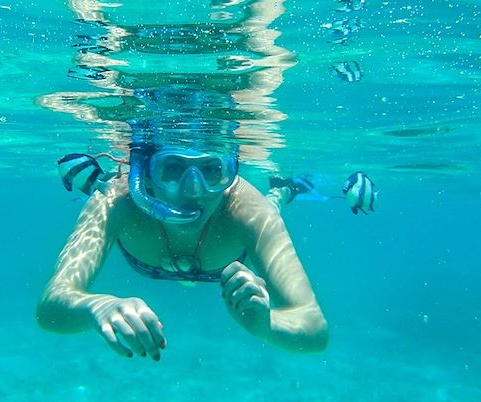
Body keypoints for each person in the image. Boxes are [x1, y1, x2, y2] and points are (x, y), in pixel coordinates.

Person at [36, 141, 328, 361]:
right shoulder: (114, 201)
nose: (193, 190)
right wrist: (95, 308)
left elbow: (314, 327)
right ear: (145, 175)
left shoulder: (250, 212)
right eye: (173, 168)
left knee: (270, 205)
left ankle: (283, 192)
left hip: (249, 224)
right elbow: (50, 306)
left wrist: (267, 326)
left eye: (212, 170)